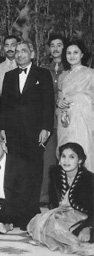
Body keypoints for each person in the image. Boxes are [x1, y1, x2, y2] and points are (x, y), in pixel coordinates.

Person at [0, 40, 54, 213]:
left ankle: (32, 208)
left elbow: (49, 103)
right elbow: (4, 105)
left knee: (34, 168)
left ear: (32, 54)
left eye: (23, 51)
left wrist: (46, 127)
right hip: (13, 131)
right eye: (16, 51)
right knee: (15, 169)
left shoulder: (43, 74)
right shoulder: (9, 76)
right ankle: (16, 207)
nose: (19, 54)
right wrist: (2, 129)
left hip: (35, 131)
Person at [28, 143, 94, 256]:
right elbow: (54, 201)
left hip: (83, 216)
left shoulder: (88, 179)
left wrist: (88, 227)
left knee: (55, 228)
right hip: (62, 213)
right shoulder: (56, 173)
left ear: (80, 160)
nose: (66, 161)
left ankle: (80, 244)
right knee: (37, 222)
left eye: (72, 157)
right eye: (63, 156)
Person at [56, 40, 94, 172]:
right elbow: (60, 98)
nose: (72, 56)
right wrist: (59, 102)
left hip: (83, 123)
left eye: (76, 52)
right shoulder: (63, 76)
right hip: (65, 123)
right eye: (68, 53)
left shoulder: (90, 74)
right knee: (66, 155)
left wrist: (77, 98)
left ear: (82, 54)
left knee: (82, 153)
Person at [39, 35, 66, 204]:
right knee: (48, 159)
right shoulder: (42, 70)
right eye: (53, 46)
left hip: (67, 121)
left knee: (66, 158)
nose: (56, 49)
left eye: (59, 45)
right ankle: (44, 197)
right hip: (49, 120)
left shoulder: (71, 70)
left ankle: (66, 197)